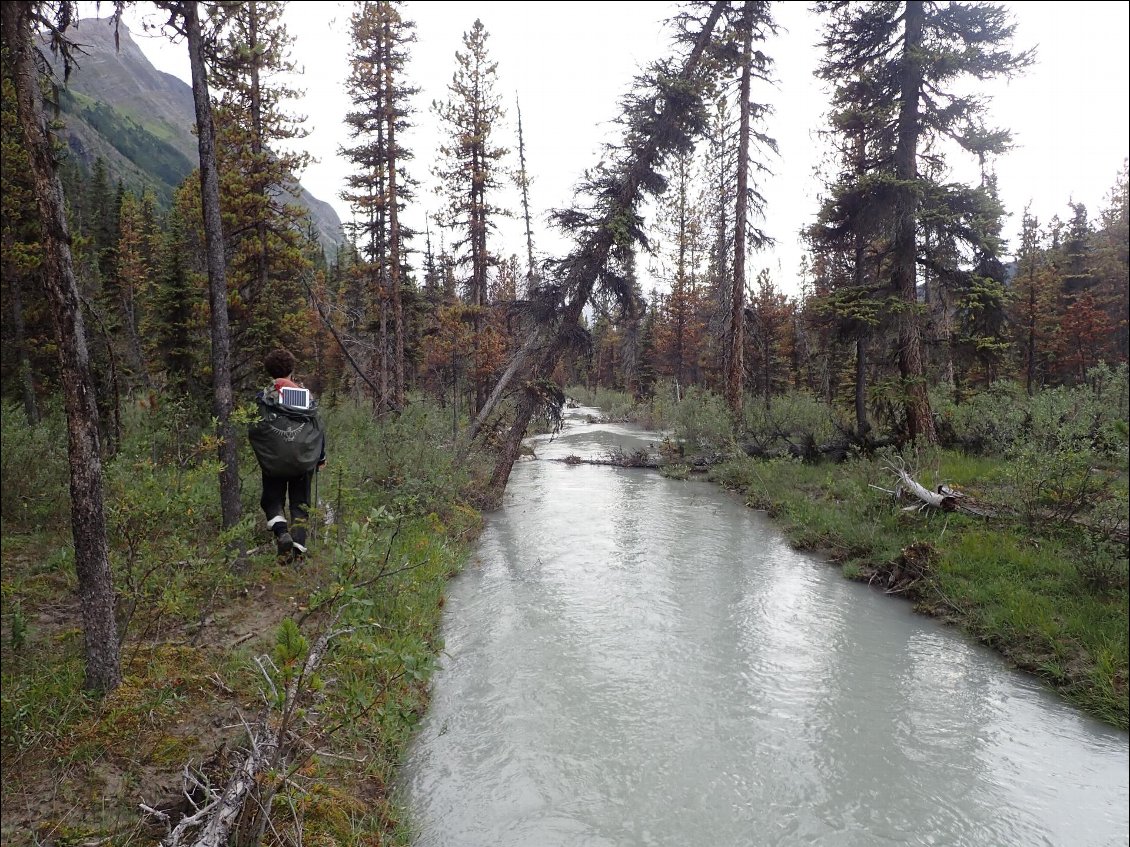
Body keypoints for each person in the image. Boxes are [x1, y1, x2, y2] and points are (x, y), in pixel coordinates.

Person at [257, 348, 325, 559]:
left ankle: (281, 533)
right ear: (291, 369)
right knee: (300, 504)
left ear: (269, 372)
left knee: (271, 499)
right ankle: (297, 552)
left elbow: (257, 429)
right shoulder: (303, 396)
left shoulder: (265, 397)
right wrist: (320, 456)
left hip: (274, 461)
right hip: (303, 460)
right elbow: (316, 426)